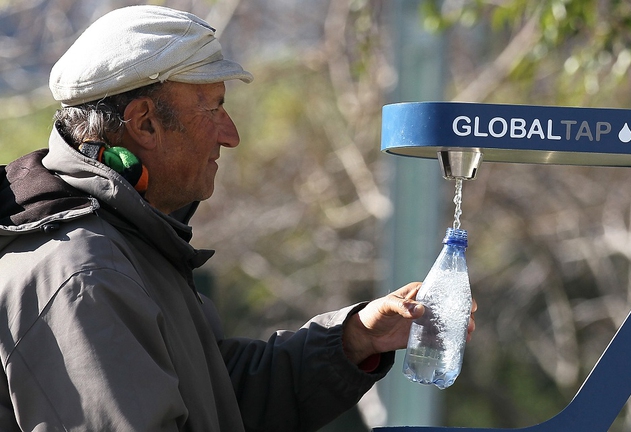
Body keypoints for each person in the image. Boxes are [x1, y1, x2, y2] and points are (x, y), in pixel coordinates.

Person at [0, 5, 475, 432]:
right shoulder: (86, 275)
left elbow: (218, 398)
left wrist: (354, 339)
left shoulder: (122, 242)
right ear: (144, 122)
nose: (231, 136)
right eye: (215, 107)